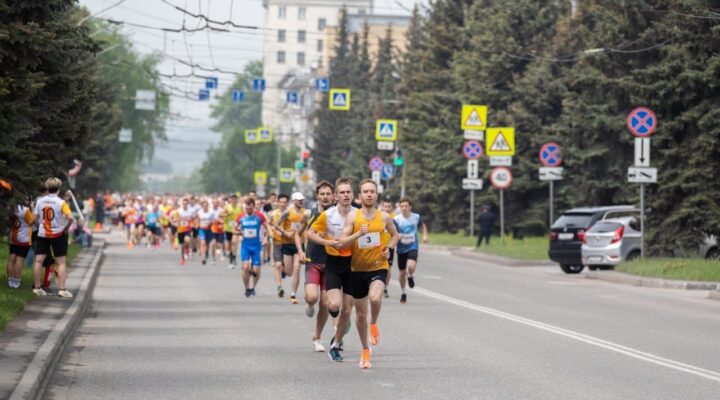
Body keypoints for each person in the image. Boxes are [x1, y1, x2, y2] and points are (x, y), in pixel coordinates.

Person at [338, 179, 399, 369]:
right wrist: (358, 234)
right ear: (360, 196)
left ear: (376, 195)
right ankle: (365, 349)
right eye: (366, 191)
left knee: (375, 298)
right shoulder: (353, 218)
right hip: (357, 269)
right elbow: (341, 242)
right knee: (360, 315)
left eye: (372, 191)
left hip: (378, 266)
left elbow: (395, 235)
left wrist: (388, 247)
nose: (369, 194)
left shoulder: (385, 217)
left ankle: (375, 323)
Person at [307, 178, 357, 362]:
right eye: (342, 192)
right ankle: (337, 323)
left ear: (352, 194)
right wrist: (327, 242)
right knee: (333, 305)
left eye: (348, 192)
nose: (345, 195)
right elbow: (309, 233)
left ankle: (335, 345)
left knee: (347, 311)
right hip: (334, 263)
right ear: (337, 196)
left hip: (353, 264)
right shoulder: (328, 215)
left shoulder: (359, 214)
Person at [295, 181, 334, 352]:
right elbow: (297, 234)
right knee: (312, 298)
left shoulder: (337, 215)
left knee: (325, 303)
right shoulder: (309, 214)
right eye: (322, 194)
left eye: (328, 194)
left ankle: (317, 337)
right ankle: (309, 304)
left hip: (332, 263)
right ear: (317, 196)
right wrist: (301, 252)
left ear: (333, 196)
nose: (325, 197)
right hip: (313, 262)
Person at [32, 178, 75, 298]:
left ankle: (37, 287)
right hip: (58, 234)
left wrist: (39, 225)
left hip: (43, 234)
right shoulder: (61, 203)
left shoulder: (40, 201)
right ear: (59, 189)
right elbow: (70, 217)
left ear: (47, 188)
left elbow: (34, 218)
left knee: (38, 261)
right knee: (61, 263)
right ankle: (62, 289)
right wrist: (66, 227)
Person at [235, 198, 271, 297]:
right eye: (246, 209)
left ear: (254, 207)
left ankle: (253, 288)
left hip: (256, 246)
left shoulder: (259, 216)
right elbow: (234, 229)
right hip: (245, 246)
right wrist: (239, 232)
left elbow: (267, 227)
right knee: (245, 267)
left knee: (256, 270)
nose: (248, 210)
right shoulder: (240, 217)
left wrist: (266, 238)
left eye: (250, 209)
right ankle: (247, 288)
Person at [394, 197, 428, 304]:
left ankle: (410, 276)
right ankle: (403, 292)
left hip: (413, 245)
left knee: (411, 266)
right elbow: (393, 231)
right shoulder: (396, 219)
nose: (404, 208)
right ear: (400, 207)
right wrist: (396, 236)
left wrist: (424, 236)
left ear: (410, 207)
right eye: (402, 206)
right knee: (401, 272)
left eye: (406, 206)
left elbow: (423, 226)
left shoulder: (416, 217)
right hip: (401, 248)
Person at [275, 192, 306, 304]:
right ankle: (284, 271)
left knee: (297, 268)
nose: (300, 201)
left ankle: (293, 294)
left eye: (302, 199)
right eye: (298, 200)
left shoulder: (305, 213)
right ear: (294, 201)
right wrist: (285, 233)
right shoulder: (288, 212)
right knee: (289, 272)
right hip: (287, 243)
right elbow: (276, 225)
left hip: (299, 244)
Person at [8, 201, 34, 288]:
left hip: (13, 236)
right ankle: (16, 282)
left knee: (12, 259)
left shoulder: (12, 207)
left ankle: (10, 281)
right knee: (19, 260)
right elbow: (31, 222)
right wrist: (32, 209)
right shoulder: (25, 210)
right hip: (23, 238)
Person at [268, 194, 289, 297]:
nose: (283, 204)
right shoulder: (273, 214)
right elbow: (268, 223)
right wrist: (270, 230)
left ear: (287, 203)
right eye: (281, 202)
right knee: (278, 265)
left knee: (286, 268)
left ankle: (284, 271)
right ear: (278, 202)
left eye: (285, 202)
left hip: (288, 243)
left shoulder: (290, 214)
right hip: (277, 242)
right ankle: (279, 287)